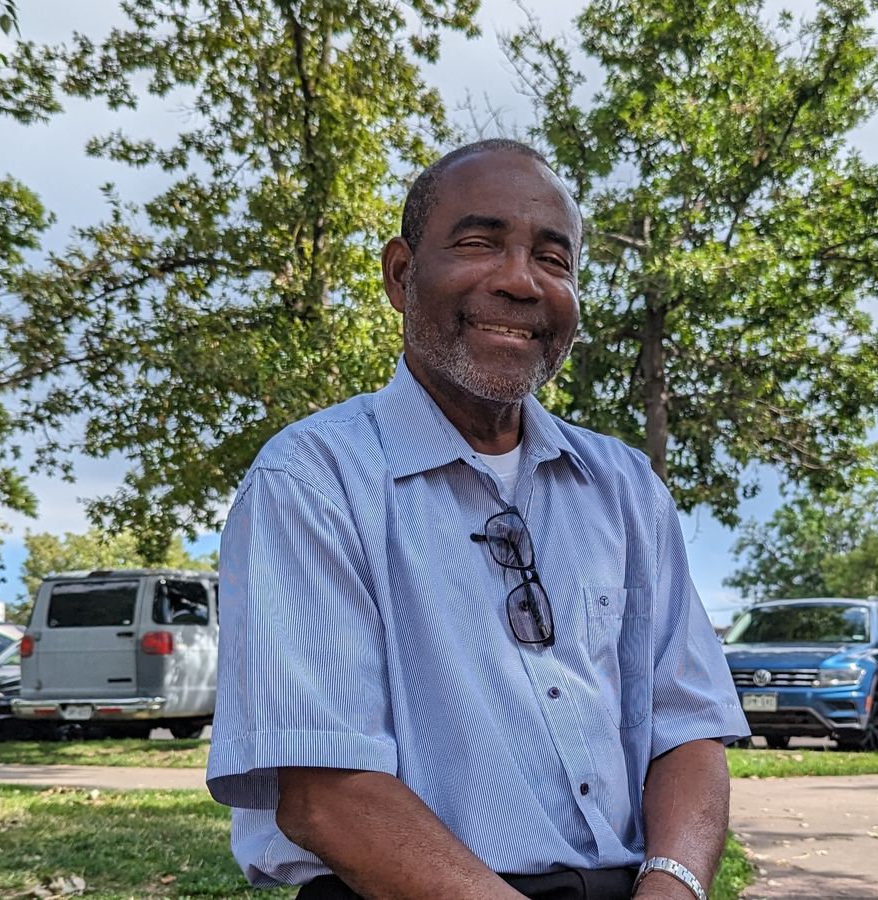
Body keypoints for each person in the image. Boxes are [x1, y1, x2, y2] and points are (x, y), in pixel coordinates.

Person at [206, 139, 750, 900]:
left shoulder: (627, 487)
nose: (521, 281)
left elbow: (688, 727)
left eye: (553, 260)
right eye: (479, 243)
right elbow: (325, 795)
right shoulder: (310, 480)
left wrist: (673, 887)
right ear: (401, 275)